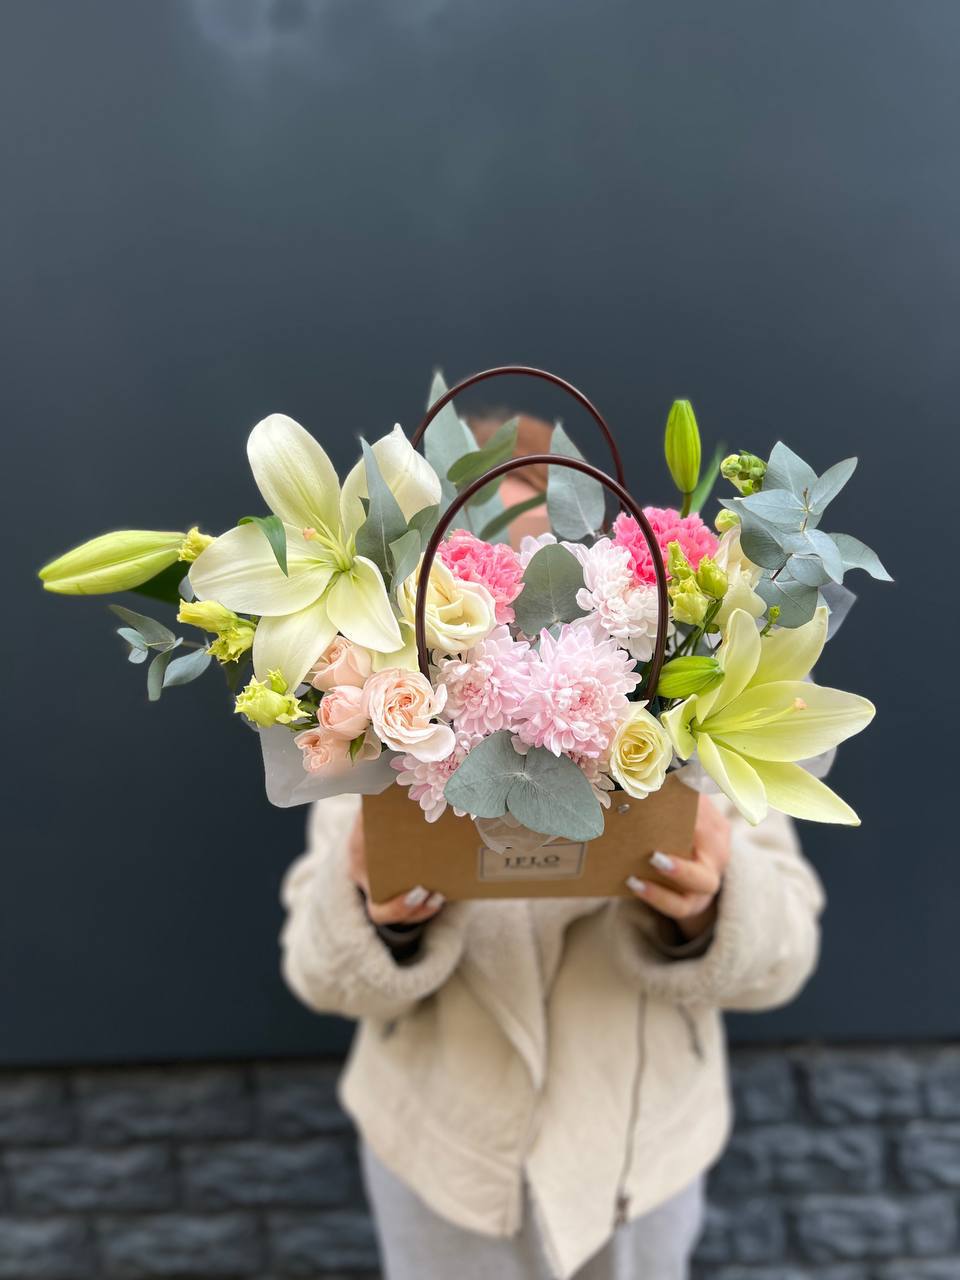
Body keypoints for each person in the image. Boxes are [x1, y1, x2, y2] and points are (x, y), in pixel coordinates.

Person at [279, 418, 824, 1280]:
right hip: (443, 1158)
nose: (521, 607)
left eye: (548, 568)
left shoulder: (696, 706)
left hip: (639, 1155)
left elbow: (785, 958)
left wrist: (714, 903)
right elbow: (317, 976)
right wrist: (374, 913)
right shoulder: (380, 729)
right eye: (491, 575)